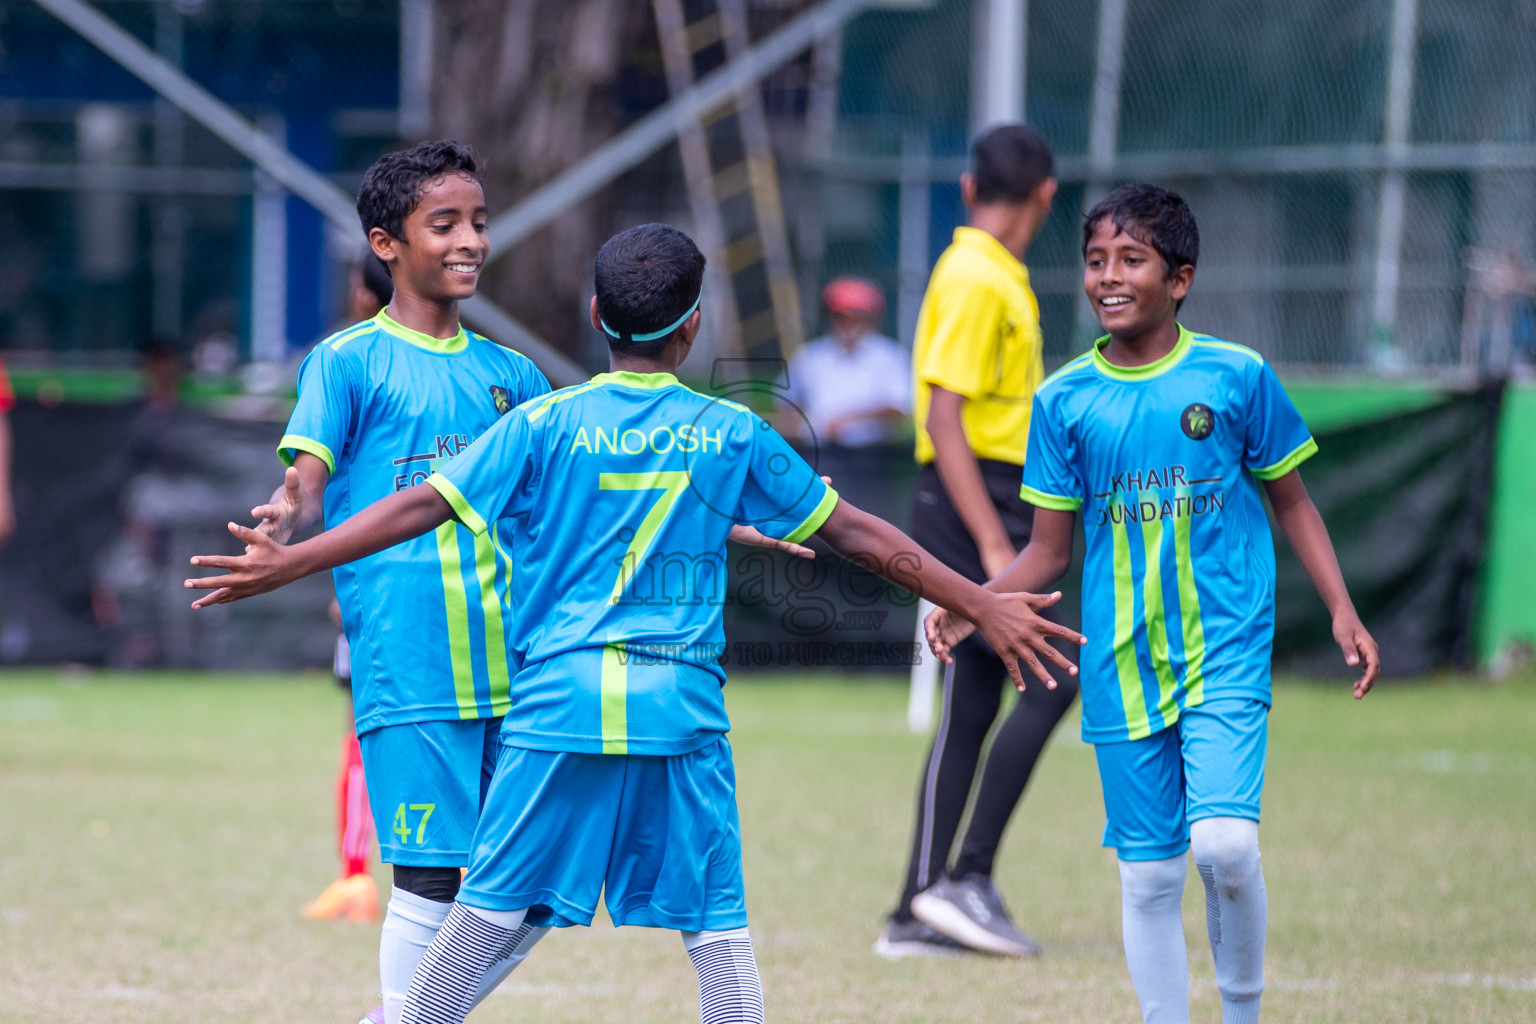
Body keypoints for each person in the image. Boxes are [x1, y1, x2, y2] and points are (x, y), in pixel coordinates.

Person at [182, 222, 1085, 1024]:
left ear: (594, 314)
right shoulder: (726, 433)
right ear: (693, 327)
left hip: (556, 711)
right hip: (678, 715)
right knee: (718, 936)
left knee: (486, 914)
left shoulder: (546, 421)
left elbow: (421, 505)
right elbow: (855, 530)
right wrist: (979, 599)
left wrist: (292, 562)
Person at [926, 183, 1380, 1024]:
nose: (1109, 277)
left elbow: (1293, 502)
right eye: (1096, 260)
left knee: (1225, 845)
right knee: (1150, 874)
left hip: (1226, 648)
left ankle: (1240, 1013)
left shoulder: (1236, 376)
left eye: (1131, 260)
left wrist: (1343, 609)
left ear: (1180, 279)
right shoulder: (1064, 400)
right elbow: (1047, 552)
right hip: (1122, 662)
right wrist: (972, 601)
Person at [241, 140, 557, 1024]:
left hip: (517, 659)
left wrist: (723, 522)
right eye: (444, 223)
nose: (470, 242)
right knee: (428, 872)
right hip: (410, 655)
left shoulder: (513, 376)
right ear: (387, 243)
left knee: (532, 884)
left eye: (479, 222)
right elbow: (306, 470)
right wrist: (288, 509)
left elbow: (566, 495)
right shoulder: (347, 361)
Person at [878, 123, 1080, 959]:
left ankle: (926, 904)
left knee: (980, 703)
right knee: (1052, 675)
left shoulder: (995, 273)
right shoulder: (973, 275)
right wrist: (998, 553)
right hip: (975, 506)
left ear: (967, 188)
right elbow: (944, 422)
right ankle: (955, 886)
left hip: (995, 499)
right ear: (1047, 194)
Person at [299, 251, 394, 926]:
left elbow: (329, 481)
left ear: (363, 292)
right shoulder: (477, 370)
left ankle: (358, 876)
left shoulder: (345, 365)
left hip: (378, 585)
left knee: (361, 733)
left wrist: (342, 575)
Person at [784, 277, 910, 446]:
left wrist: (846, 420)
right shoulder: (810, 356)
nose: (848, 325)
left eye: (856, 317)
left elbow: (899, 408)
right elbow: (788, 401)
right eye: (842, 317)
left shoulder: (890, 356)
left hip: (874, 452)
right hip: (819, 449)